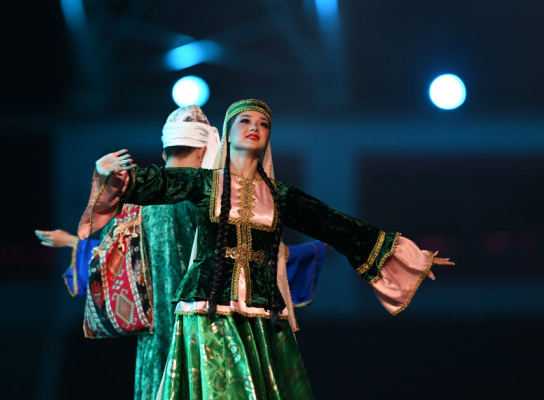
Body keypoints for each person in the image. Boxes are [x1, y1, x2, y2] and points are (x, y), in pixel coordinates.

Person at [78, 99, 453, 399]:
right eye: (244, 121)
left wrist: (407, 257)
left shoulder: (280, 195)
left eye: (263, 123)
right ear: (227, 133)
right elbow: (157, 183)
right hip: (208, 312)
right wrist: (112, 176)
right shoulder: (205, 184)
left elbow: (337, 225)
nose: (254, 127)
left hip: (262, 315)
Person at [40, 105, 327, 399]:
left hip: (155, 340)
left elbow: (111, 259)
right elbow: (253, 257)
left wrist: (72, 243)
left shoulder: (135, 206)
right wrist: (312, 252)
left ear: (164, 153)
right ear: (204, 150)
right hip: (204, 330)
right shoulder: (211, 198)